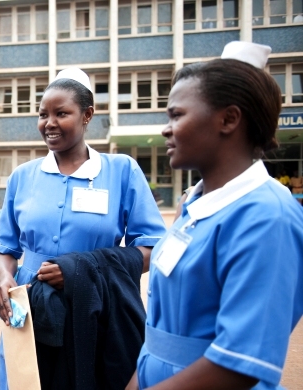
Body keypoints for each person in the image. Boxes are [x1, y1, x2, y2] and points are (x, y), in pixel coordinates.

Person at [128, 41, 303, 390]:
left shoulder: (268, 217)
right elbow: (161, 332)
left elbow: (239, 364)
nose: (166, 128)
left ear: (228, 119)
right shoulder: (194, 207)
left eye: (176, 115)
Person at [0, 67, 167, 389]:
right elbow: (6, 247)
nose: (49, 123)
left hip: (94, 306)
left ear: (87, 115)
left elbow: (153, 248)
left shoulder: (121, 171)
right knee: (27, 379)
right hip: (30, 308)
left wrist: (79, 270)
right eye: (43, 114)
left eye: (61, 113)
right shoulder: (23, 176)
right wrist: (5, 278)